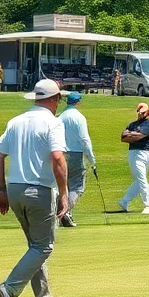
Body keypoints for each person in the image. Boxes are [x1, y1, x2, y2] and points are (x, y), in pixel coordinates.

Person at [0, 78, 71, 297]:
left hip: (14, 190)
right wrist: (64, 193)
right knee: (43, 247)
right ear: (55, 99)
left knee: (35, 248)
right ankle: (9, 289)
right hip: (39, 191)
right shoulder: (53, 122)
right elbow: (58, 159)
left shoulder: (16, 121)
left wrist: (1, 190)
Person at [58, 92, 95, 227]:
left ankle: (62, 213)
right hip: (75, 154)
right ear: (78, 102)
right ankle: (65, 212)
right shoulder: (79, 117)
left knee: (63, 186)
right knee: (77, 186)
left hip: (60, 154)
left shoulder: (60, 116)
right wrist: (91, 159)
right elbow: (85, 139)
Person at [118, 103, 149, 214]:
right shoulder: (132, 124)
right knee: (142, 179)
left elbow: (140, 136)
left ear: (147, 112)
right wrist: (133, 134)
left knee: (140, 179)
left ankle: (124, 201)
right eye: (139, 112)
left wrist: (132, 135)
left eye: (143, 112)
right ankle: (148, 205)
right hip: (135, 153)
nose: (140, 114)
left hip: (146, 153)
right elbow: (123, 137)